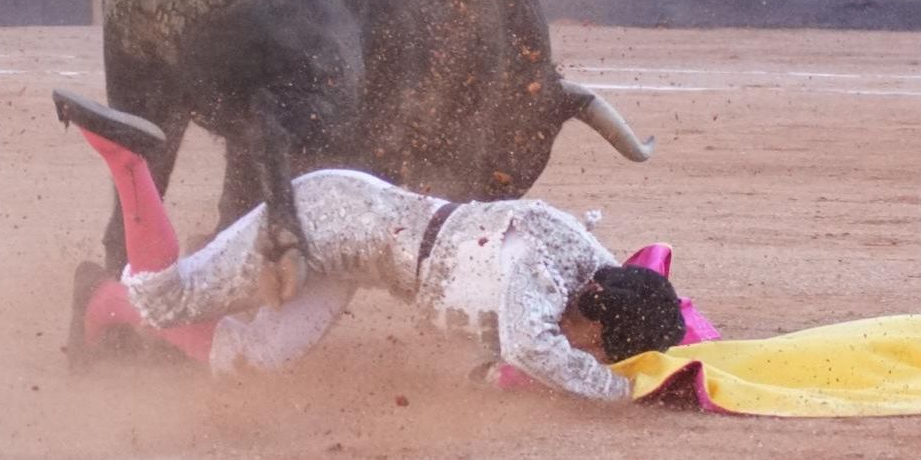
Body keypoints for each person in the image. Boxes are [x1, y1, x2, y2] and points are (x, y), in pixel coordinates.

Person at [57, 89, 686, 401]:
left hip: (361, 246)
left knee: (253, 363)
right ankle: (125, 168)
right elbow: (532, 346)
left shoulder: (588, 264)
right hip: (330, 220)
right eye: (599, 349)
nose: (591, 355)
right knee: (169, 300)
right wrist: (621, 390)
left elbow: (628, 286)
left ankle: (130, 296)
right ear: (593, 316)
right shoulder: (539, 274)